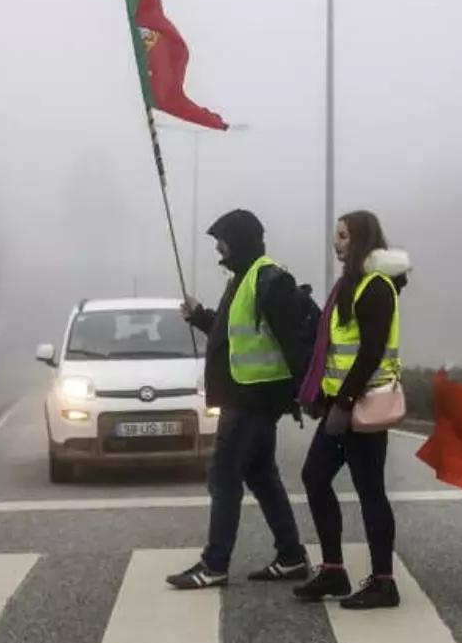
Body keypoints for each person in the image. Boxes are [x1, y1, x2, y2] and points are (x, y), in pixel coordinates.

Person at [165, 208, 311, 590]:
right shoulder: (245, 280)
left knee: (224, 475)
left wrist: (305, 394)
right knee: (261, 475)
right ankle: (292, 556)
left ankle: (214, 565)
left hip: (253, 397)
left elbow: (292, 341)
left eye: (223, 243)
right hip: (248, 395)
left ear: (240, 241)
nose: (219, 251)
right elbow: (234, 333)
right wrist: (199, 317)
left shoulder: (267, 279)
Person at [292, 210, 411, 610]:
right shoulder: (351, 284)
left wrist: (343, 402)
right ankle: (333, 570)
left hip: (364, 407)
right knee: (314, 477)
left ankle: (383, 581)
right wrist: (323, 396)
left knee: (370, 492)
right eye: (335, 236)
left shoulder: (376, 287)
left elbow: (371, 351)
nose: (336, 243)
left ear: (361, 239)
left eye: (342, 236)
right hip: (338, 404)